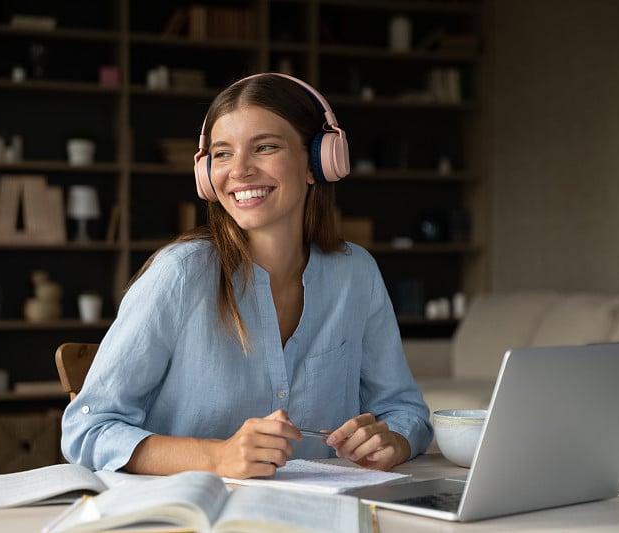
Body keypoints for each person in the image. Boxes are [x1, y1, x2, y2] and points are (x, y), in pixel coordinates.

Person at [61, 73, 433, 479]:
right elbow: (86, 430)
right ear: (206, 175)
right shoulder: (179, 274)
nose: (239, 170)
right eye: (222, 154)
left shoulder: (355, 273)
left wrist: (393, 440)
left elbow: (404, 409)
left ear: (317, 163)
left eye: (265, 147)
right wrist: (217, 457)